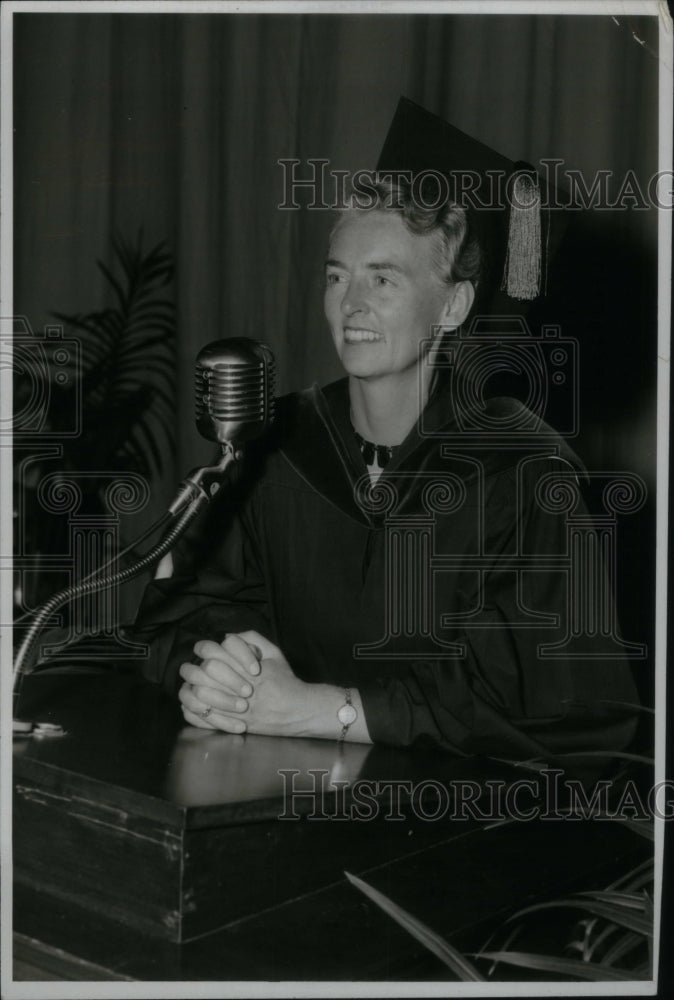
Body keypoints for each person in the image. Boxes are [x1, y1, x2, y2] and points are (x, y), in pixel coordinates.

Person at [131, 106, 639, 760]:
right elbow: (180, 617)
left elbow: (555, 701)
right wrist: (213, 676)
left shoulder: (527, 476)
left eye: (384, 278)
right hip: (284, 805)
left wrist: (325, 710)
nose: (351, 305)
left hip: (462, 829)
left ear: (453, 305)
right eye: (337, 275)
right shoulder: (276, 444)